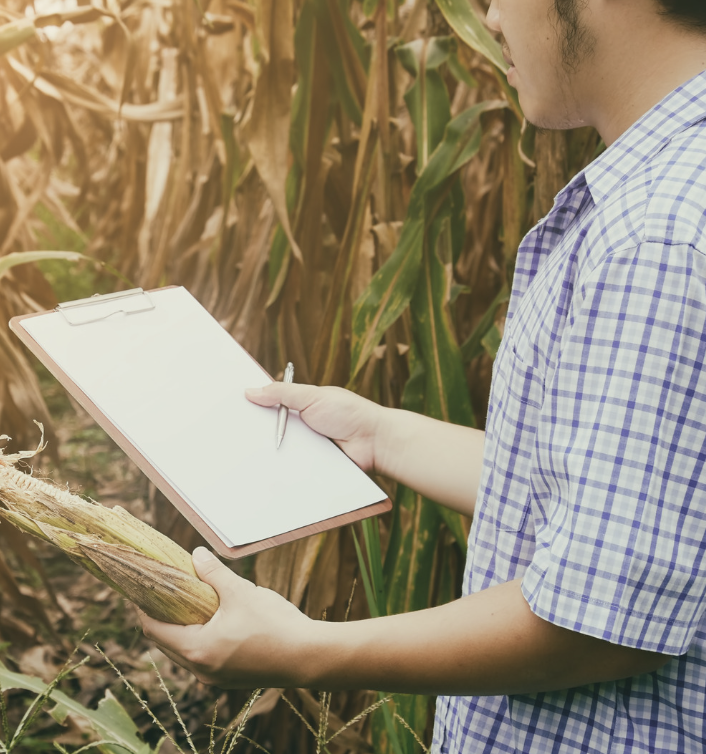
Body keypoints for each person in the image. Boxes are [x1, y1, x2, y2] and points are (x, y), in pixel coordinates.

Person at [138, 0, 706, 750]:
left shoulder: (659, 232)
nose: (490, 16)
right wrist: (381, 432)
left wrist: (304, 651)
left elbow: (598, 621)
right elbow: (632, 501)